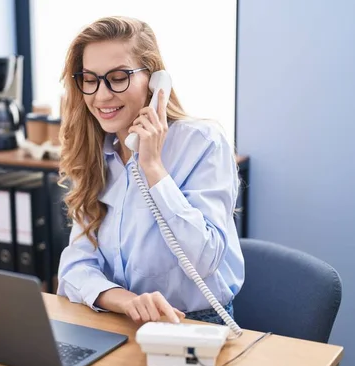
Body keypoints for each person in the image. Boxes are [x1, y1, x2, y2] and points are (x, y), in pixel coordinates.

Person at [56, 16, 244, 325]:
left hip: (195, 321)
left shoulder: (202, 143)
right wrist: (128, 302)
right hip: (120, 316)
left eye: (118, 77)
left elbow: (205, 259)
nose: (102, 95)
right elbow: (75, 268)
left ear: (155, 82)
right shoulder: (94, 152)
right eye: (90, 80)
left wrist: (152, 166)